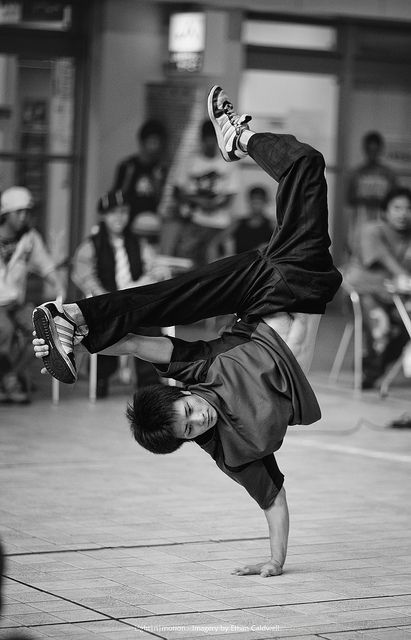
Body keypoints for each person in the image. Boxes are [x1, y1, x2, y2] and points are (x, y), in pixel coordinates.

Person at [32, 86, 342, 577]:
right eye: (191, 429)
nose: (198, 418)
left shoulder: (198, 372)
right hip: (305, 282)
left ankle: (71, 317)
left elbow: (134, 342)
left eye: (188, 411)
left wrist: (84, 343)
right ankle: (237, 140)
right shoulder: (237, 454)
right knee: (304, 164)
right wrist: (275, 562)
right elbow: (274, 501)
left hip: (262, 297)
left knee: (167, 296)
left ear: (182, 395)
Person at [71, 189, 164, 397]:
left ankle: (148, 381)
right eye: (114, 212)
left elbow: (155, 268)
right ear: (104, 215)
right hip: (107, 301)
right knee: (105, 321)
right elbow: (85, 277)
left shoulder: (138, 243)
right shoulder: (91, 245)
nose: (119, 217)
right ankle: (102, 376)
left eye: (123, 211)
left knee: (149, 322)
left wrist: (147, 280)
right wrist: (107, 299)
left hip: (135, 301)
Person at [0, 186, 65, 403]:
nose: (23, 217)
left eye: (27, 212)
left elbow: (46, 266)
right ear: (5, 213)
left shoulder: (30, 238)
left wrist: (58, 287)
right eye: (18, 212)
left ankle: (10, 376)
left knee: (41, 330)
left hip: (16, 302)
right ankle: (9, 382)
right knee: (5, 331)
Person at [343, 186, 411, 389]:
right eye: (397, 208)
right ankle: (372, 371)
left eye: (408, 208)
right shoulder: (371, 230)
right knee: (382, 327)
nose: (403, 213)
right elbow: (381, 257)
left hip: (395, 297)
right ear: (385, 211)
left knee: (408, 322)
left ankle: (373, 366)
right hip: (363, 293)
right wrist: (401, 274)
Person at [172, 119, 240, 265]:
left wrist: (213, 205)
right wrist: (198, 201)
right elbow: (176, 192)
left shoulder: (228, 162)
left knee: (216, 268)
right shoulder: (188, 161)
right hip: (193, 222)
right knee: (185, 265)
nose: (210, 143)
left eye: (213, 139)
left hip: (219, 225)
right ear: (202, 139)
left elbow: (230, 196)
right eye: (207, 139)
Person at [112, 119, 168, 241]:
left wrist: (157, 182)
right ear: (142, 142)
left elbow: (160, 199)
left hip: (150, 224)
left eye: (158, 143)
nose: (156, 147)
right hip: (129, 223)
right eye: (152, 142)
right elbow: (118, 196)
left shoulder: (159, 169)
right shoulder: (128, 166)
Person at [346, 131, 397, 251]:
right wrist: (366, 200)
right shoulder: (357, 172)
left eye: (376, 150)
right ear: (365, 150)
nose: (372, 154)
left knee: (381, 249)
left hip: (382, 219)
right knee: (358, 250)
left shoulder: (388, 173)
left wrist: (380, 201)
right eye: (370, 150)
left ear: (380, 150)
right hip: (360, 219)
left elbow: (395, 198)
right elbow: (349, 198)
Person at [211, 184, 273, 257]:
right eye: (254, 201)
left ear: (265, 202)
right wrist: (214, 262)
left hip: (261, 266)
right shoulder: (238, 223)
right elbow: (214, 243)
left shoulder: (272, 225)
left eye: (259, 201)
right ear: (249, 201)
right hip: (239, 265)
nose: (256, 205)